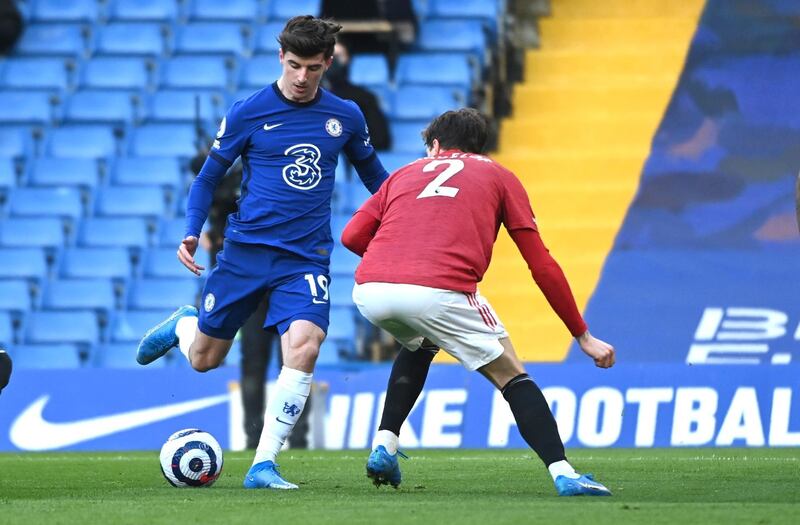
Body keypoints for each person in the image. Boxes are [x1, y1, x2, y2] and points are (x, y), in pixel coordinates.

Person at [136, 15, 389, 489]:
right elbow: (208, 178)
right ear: (281, 58)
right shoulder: (249, 111)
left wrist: (402, 222)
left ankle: (263, 464)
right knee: (204, 360)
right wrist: (192, 231)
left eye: (312, 68)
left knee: (305, 345)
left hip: (306, 258)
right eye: (294, 65)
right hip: (244, 255)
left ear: (327, 63)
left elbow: (378, 182)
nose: (301, 77)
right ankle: (185, 325)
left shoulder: (346, 117)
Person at [341, 108, 616, 496]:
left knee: (419, 343)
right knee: (512, 375)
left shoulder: (404, 173)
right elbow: (542, 265)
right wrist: (582, 335)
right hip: (439, 292)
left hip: (369, 290)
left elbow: (352, 236)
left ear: (434, 146)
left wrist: (396, 262)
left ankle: (385, 444)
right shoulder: (499, 176)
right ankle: (564, 472)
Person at [325, 38, 391, 151]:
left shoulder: (364, 98)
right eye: (330, 56)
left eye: (338, 56)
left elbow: (381, 139)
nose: (334, 61)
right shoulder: (309, 96)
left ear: (348, 60)